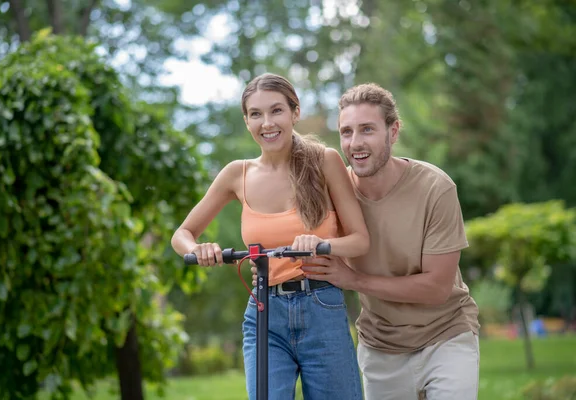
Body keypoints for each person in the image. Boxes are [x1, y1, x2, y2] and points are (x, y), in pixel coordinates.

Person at [254, 83, 480, 399]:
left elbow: (437, 287)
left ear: (394, 131)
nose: (355, 143)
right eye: (346, 132)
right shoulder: (335, 191)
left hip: (445, 338)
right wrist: (270, 268)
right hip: (380, 347)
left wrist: (354, 279)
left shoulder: (435, 188)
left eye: (367, 130)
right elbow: (306, 250)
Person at [171, 73, 369, 399]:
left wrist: (320, 245)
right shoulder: (238, 173)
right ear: (246, 121)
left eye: (276, 111)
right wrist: (198, 248)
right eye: (256, 114)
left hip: (322, 308)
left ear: (295, 113)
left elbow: (361, 239)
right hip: (264, 312)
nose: (267, 123)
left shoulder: (325, 162)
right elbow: (182, 234)